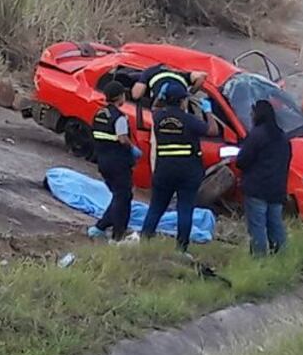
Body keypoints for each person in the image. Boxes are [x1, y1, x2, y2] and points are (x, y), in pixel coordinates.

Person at [140, 83, 218, 252]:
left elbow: (155, 107)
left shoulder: (158, 117)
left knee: (156, 208)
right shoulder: (189, 120)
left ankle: (144, 241)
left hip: (164, 170)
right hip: (187, 172)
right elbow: (213, 130)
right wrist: (208, 112)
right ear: (183, 101)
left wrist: (161, 96)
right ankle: (181, 248)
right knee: (185, 209)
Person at [235, 99, 292, 256]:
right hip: (277, 189)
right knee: (276, 225)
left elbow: (242, 161)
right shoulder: (283, 137)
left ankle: (259, 260)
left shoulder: (257, 135)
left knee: (257, 227)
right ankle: (281, 257)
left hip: (257, 189)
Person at [87, 81, 140, 243]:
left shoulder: (99, 114)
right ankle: (118, 234)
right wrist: (133, 148)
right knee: (123, 197)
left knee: (120, 195)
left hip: (103, 161)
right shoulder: (119, 118)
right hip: (118, 162)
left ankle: (100, 227)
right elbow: (122, 138)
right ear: (119, 97)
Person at [131, 64, 207, 104]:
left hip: (162, 103)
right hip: (181, 102)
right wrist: (191, 93)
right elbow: (202, 76)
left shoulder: (150, 71)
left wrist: (141, 81)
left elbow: (136, 95)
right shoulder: (182, 71)